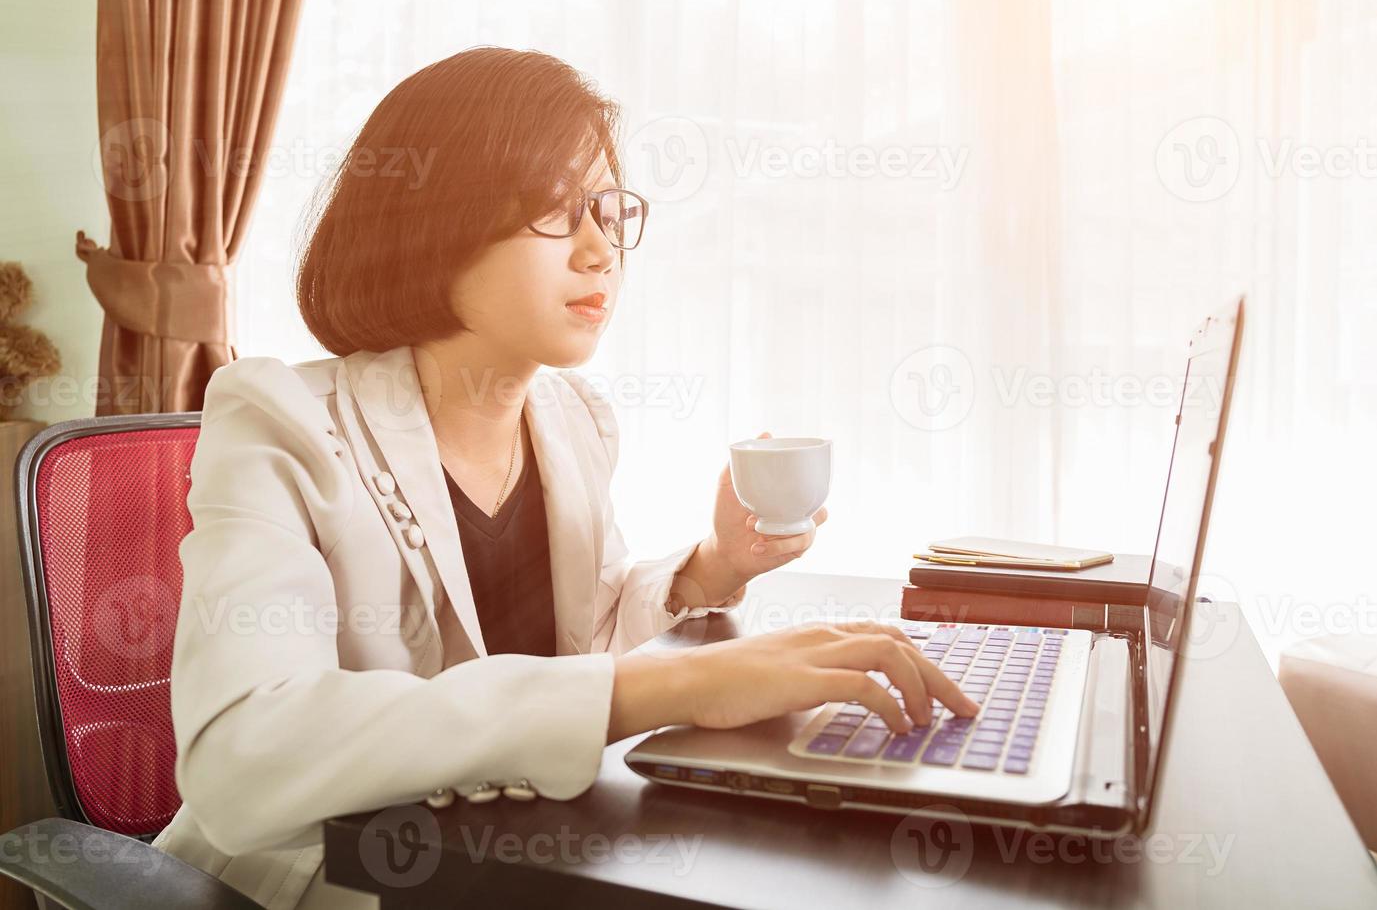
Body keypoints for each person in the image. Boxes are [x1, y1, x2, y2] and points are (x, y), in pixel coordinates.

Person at [151, 46, 976, 910]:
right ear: (431, 221)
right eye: (553, 208)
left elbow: (579, 639)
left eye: (607, 209)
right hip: (323, 880)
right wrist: (674, 684)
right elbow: (244, 757)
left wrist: (712, 568)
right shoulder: (279, 416)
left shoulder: (573, 419)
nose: (599, 251)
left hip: (507, 859)